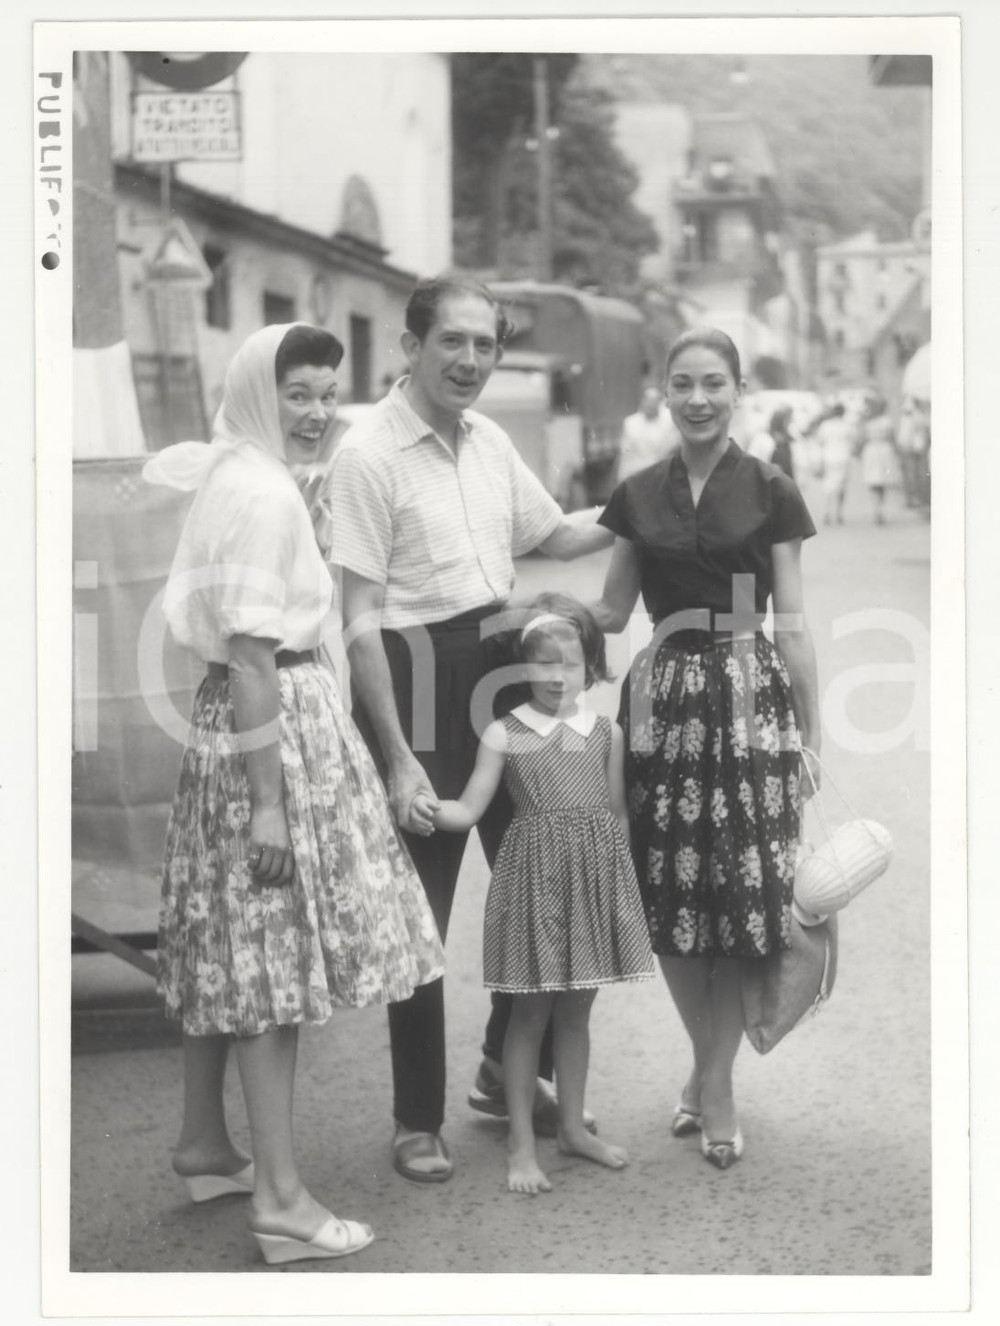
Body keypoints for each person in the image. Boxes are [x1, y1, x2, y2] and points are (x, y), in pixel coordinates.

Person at [144, 323, 444, 1264]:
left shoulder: (237, 470)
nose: (316, 413)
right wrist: (270, 802)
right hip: (271, 733)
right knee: (270, 966)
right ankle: (279, 1202)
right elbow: (251, 658)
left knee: (234, 950)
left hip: (233, 728)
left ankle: (205, 1145)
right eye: (299, 395)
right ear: (260, 394)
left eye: (327, 394)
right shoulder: (264, 494)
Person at [327, 274, 614, 1184]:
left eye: (485, 344)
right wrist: (401, 760)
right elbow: (361, 619)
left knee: (545, 867)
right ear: (409, 348)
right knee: (425, 909)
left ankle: (502, 1067)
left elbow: (558, 537)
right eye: (451, 342)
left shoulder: (489, 440)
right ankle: (418, 1117)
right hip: (412, 671)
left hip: (501, 657)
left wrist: (660, 503)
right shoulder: (368, 453)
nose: (470, 361)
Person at [593, 326, 820, 1170]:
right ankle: (709, 1070)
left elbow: (789, 619)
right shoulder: (637, 493)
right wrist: (512, 621)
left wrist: (809, 735)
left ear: (739, 389)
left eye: (714, 383)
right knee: (675, 903)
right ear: (665, 388)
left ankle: (712, 1086)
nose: (697, 399)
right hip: (662, 702)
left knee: (741, 906)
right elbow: (612, 611)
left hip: (748, 695)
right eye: (683, 383)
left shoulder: (771, 491)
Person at [423, 594, 653, 1194]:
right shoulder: (504, 733)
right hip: (534, 886)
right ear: (523, 668)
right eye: (545, 666)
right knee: (529, 1015)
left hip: (591, 885)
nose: (558, 678)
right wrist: (423, 807)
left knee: (576, 1013)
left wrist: (619, 894)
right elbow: (471, 805)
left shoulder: (606, 732)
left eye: (571, 665)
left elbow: (617, 815)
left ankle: (573, 1128)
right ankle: (522, 1145)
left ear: (590, 667)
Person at [617, 385, 680, 480]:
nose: (650, 404)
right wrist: (622, 479)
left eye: (654, 401)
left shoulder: (668, 424)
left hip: (660, 475)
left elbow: (671, 451)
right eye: (648, 400)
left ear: (659, 403)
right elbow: (625, 455)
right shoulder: (630, 423)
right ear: (642, 401)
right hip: (636, 474)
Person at [859, 395, 901, 525]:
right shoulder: (886, 421)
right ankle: (879, 509)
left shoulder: (868, 422)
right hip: (884, 450)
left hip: (871, 450)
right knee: (881, 480)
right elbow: (892, 439)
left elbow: (862, 439)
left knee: (874, 481)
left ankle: (876, 508)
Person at [814, 402, 856, 526]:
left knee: (829, 485)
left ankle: (827, 511)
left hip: (829, 457)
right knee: (842, 487)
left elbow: (819, 441)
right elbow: (854, 441)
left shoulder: (826, 425)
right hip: (843, 457)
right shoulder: (847, 425)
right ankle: (839, 513)